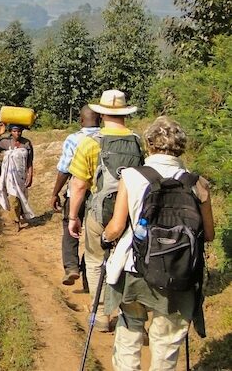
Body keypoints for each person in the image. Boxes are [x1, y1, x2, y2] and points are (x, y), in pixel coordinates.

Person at [100, 117, 215, 371]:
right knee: (167, 338)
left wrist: (105, 239)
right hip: (180, 271)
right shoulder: (198, 183)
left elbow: (117, 227)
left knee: (130, 327)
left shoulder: (131, 176)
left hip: (135, 269)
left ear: (149, 144)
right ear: (181, 147)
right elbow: (208, 234)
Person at [68, 89, 143, 332]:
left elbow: (79, 185)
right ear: (124, 113)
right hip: (131, 213)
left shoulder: (90, 143)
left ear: (101, 113)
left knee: (94, 259)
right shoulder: (138, 142)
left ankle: (101, 314)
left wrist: (72, 217)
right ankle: (130, 314)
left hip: (100, 211)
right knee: (130, 260)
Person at [48, 106, 100, 286]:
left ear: (81, 120)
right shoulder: (107, 138)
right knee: (96, 235)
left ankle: (71, 267)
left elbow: (64, 170)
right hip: (100, 196)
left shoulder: (74, 139)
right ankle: (89, 275)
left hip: (76, 192)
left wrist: (55, 193)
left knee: (70, 228)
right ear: (100, 119)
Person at [0, 122, 35, 231]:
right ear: (11, 132)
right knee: (14, 198)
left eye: (19, 131)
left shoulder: (26, 143)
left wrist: (30, 175)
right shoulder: (6, 142)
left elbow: (30, 162)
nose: (17, 133)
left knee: (21, 197)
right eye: (14, 131)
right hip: (10, 177)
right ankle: (16, 221)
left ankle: (20, 213)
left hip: (21, 176)